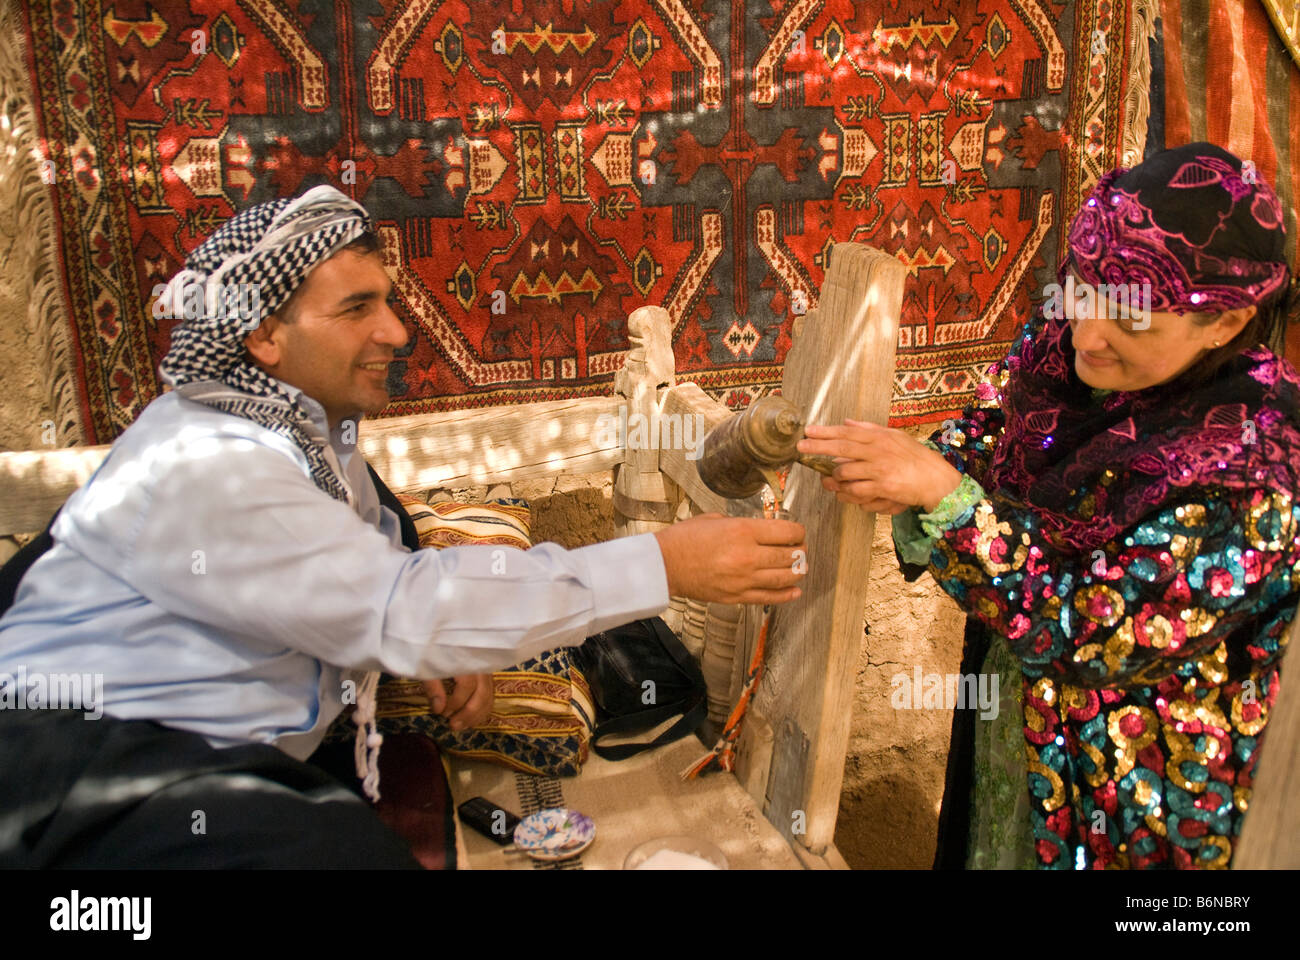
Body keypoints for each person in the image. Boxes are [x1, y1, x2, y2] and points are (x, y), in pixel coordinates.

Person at [0, 185, 806, 868]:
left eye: (386, 301)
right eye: (358, 308)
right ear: (262, 335)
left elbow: (386, 545)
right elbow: (402, 605)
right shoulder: (212, 461)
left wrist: (446, 649)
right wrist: (663, 564)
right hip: (67, 764)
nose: (396, 330)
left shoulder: (312, 435)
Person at [798, 142, 1300, 869]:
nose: (1089, 334)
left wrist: (946, 499)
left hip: (1138, 789)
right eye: (1086, 291)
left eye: (1131, 321)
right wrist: (915, 467)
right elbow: (990, 426)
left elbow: (1092, 633)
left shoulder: (1255, 470)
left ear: (1223, 323)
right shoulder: (1066, 346)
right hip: (1023, 736)